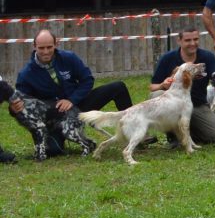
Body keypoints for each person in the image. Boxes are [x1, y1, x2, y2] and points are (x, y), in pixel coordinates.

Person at [8, 29, 135, 157]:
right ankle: (85, 143)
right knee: (53, 151)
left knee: (118, 87)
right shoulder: (26, 74)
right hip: (55, 117)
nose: (45, 51)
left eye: (49, 47)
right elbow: (20, 101)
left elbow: (87, 79)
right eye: (41, 48)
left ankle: (135, 133)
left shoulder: (69, 58)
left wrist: (72, 99)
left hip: (80, 104)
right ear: (34, 46)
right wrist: (13, 109)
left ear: (56, 44)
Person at [149, 27, 215, 145]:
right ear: (179, 41)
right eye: (187, 40)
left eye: (195, 39)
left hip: (197, 105)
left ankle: (187, 134)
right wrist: (162, 85)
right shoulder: (168, 58)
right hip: (174, 104)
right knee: (156, 95)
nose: (192, 43)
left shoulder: (207, 57)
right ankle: (174, 137)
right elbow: (152, 87)